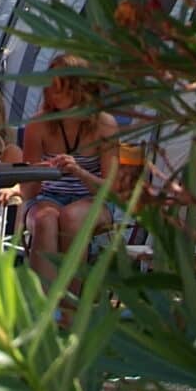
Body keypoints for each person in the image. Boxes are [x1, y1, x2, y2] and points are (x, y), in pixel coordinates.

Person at [21, 56, 121, 271]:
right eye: (51, 85)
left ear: (80, 88)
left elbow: (111, 191)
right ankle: (43, 292)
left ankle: (71, 293)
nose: (53, 92)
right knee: (45, 219)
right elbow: (27, 193)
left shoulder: (104, 125)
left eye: (61, 86)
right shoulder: (38, 125)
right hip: (47, 197)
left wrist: (79, 172)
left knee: (72, 217)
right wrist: (38, 172)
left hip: (93, 199)